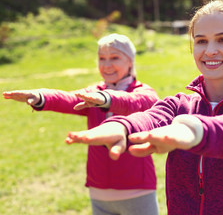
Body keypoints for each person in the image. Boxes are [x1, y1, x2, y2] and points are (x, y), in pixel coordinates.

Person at [65, 0, 223, 215]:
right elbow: (149, 118)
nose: (210, 50)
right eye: (201, 40)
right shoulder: (177, 106)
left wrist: (194, 131)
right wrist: (121, 127)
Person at [3, 34, 160, 215]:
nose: (106, 65)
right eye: (102, 58)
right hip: (99, 187)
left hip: (137, 188)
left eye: (115, 58)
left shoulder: (143, 92)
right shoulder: (93, 92)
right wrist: (41, 96)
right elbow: (68, 98)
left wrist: (105, 98)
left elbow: (135, 102)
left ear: (130, 62)